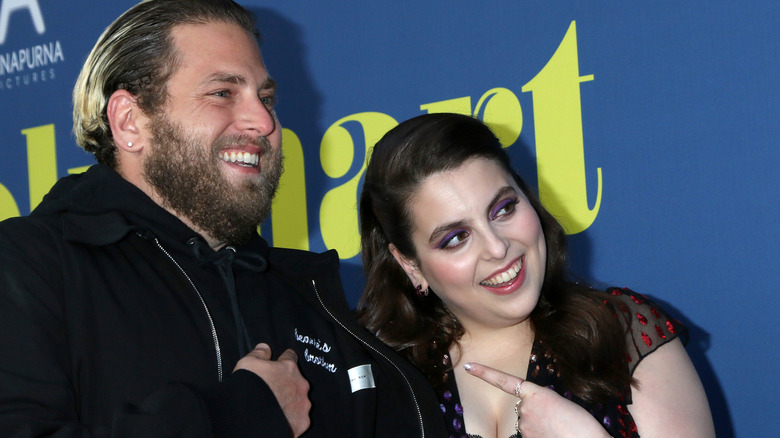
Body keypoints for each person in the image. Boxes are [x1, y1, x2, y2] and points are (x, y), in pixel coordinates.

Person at [0, 1, 447, 436]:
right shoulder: (29, 266)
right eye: (222, 93)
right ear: (130, 122)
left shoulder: (308, 297)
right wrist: (247, 414)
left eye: (266, 97)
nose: (264, 121)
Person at [357, 113, 715, 437]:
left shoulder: (622, 332)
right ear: (410, 264)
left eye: (503, 209)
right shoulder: (381, 380)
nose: (497, 248)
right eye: (456, 238)